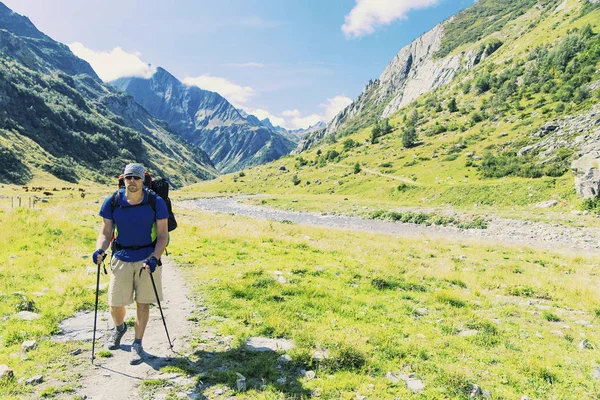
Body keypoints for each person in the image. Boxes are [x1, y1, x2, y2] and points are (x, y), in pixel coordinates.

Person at [92, 163, 169, 365]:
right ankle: (119, 328)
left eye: (136, 178)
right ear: (123, 179)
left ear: (143, 179)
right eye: (129, 178)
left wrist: (155, 257)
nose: (132, 181)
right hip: (122, 256)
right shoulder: (113, 201)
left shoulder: (156, 202)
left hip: (147, 259)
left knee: (142, 303)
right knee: (115, 303)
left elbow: (163, 236)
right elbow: (105, 232)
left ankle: (137, 344)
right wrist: (100, 249)